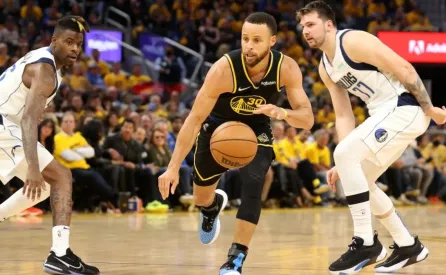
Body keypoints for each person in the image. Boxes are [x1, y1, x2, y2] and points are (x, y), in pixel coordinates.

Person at [158, 12, 313, 275]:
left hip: (256, 129)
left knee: (254, 183)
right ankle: (210, 208)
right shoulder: (223, 69)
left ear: (272, 41)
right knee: (199, 197)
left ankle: (236, 257)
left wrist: (284, 113)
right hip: (218, 128)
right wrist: (172, 167)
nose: (249, 46)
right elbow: (194, 119)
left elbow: (307, 119)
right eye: (244, 39)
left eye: (256, 40)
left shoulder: (286, 68)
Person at [297, 1, 446, 274]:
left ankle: (365, 242)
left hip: (404, 107)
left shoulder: (353, 41)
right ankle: (408, 245)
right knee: (363, 180)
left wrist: (430, 109)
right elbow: (343, 115)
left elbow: (405, 67)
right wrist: (342, 161)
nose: (304, 30)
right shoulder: (325, 68)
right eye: (302, 26)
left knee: (346, 157)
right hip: (381, 114)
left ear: (328, 25)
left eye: (310, 24)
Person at [0, 16, 99, 275]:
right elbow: (27, 120)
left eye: (78, 43)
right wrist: (33, 167)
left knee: (46, 187)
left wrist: (71, 20)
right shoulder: (45, 72)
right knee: (61, 176)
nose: (75, 49)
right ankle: (59, 255)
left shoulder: (47, 63)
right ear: (53, 41)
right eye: (69, 42)